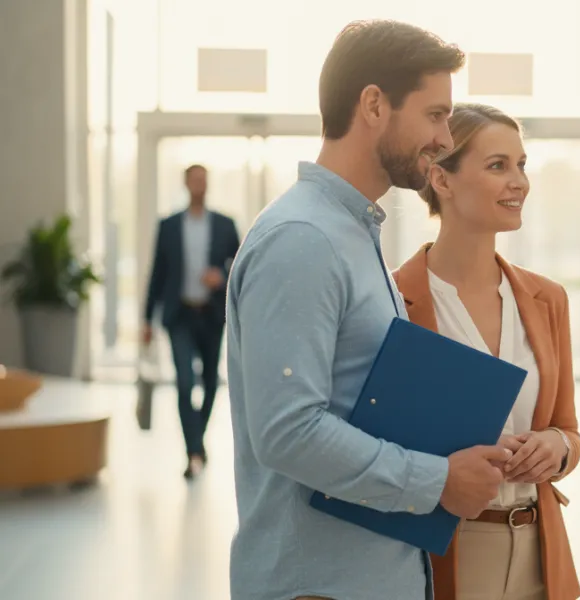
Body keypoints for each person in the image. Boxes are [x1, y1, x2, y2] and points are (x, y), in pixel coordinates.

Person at [223, 21, 512, 600]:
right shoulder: (303, 239)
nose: (443, 139)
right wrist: (438, 481)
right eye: (434, 115)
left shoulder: (353, 234)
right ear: (375, 105)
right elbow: (287, 432)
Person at [392, 102, 580, 600]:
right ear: (442, 179)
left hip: (540, 550)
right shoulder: (394, 301)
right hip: (448, 550)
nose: (519, 181)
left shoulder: (547, 300)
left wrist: (557, 449)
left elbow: (569, 429)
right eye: (498, 166)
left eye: (521, 165)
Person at [142, 164, 240, 479]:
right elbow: (157, 273)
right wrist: (146, 319)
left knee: (210, 381)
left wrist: (221, 277)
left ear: (207, 184)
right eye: (194, 179)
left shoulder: (225, 225)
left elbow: (240, 269)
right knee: (185, 382)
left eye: (203, 179)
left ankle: (197, 440)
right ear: (186, 183)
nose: (199, 184)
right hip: (179, 315)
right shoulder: (169, 225)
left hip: (211, 315)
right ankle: (194, 450)